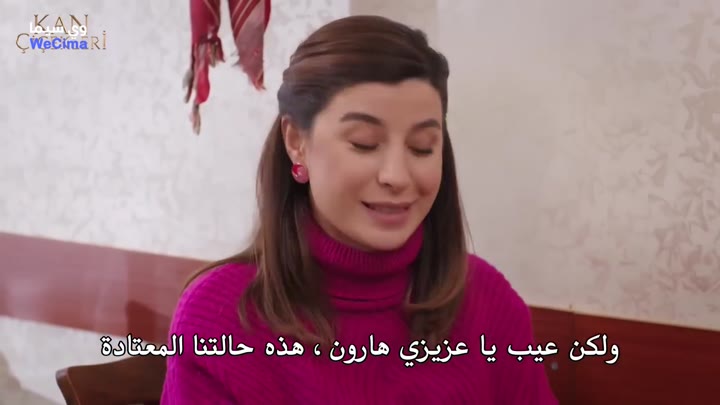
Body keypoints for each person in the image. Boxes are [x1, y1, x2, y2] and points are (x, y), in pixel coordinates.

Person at [161, 15, 558, 404]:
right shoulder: (220, 317)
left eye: (422, 148)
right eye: (364, 143)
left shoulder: (487, 298)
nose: (396, 176)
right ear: (296, 141)